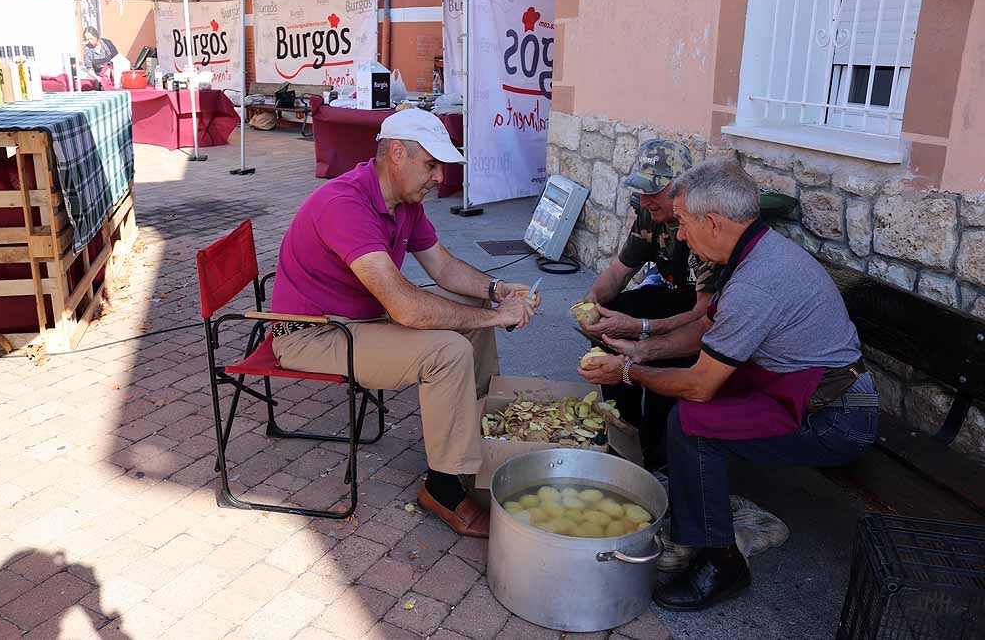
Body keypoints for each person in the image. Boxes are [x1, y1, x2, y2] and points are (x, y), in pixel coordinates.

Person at [579, 159, 878, 611]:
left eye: (683, 223)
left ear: (713, 222)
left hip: (835, 416)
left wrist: (625, 372)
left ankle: (721, 561)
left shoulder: (757, 280)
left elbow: (700, 385)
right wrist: (639, 351)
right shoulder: (755, 252)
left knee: (694, 424)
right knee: (688, 404)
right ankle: (692, 505)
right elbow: (708, 332)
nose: (680, 236)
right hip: (804, 386)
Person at [269, 109, 539, 537]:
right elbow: (407, 310)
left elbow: (444, 268)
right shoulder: (344, 204)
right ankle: (444, 487)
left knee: (468, 322)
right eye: (431, 165)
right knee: (447, 351)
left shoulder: (402, 200)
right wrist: (495, 316)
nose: (438, 177)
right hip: (311, 333)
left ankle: (477, 433)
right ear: (397, 154)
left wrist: (496, 290)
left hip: (356, 317)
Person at [579, 140, 718, 468]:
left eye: (653, 192)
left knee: (658, 367)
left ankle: (659, 457)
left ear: (683, 189)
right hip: (668, 298)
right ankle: (623, 425)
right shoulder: (648, 214)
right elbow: (619, 270)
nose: (643, 201)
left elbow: (704, 315)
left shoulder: (702, 227)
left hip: (699, 315)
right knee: (613, 317)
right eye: (641, 190)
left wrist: (642, 329)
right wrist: (591, 302)